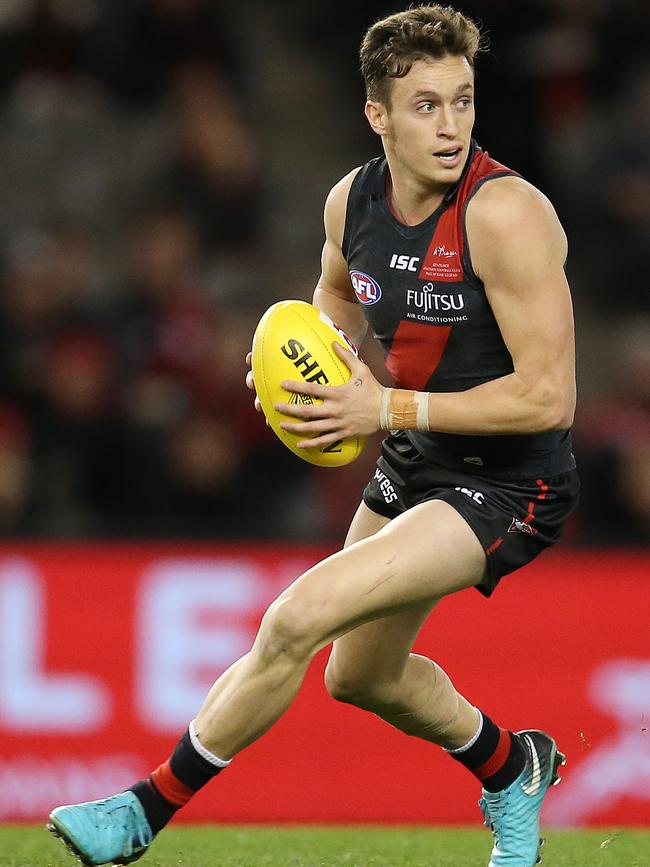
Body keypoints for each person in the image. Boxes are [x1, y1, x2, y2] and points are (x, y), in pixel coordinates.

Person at [47, 6, 579, 866]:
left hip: (512, 481)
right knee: (357, 675)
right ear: (378, 115)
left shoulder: (506, 214)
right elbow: (331, 311)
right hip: (418, 459)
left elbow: (549, 399)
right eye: (424, 106)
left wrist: (384, 411)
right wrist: (299, 368)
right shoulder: (351, 201)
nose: (450, 126)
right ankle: (514, 765)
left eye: (463, 101)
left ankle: (140, 812)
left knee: (297, 617)